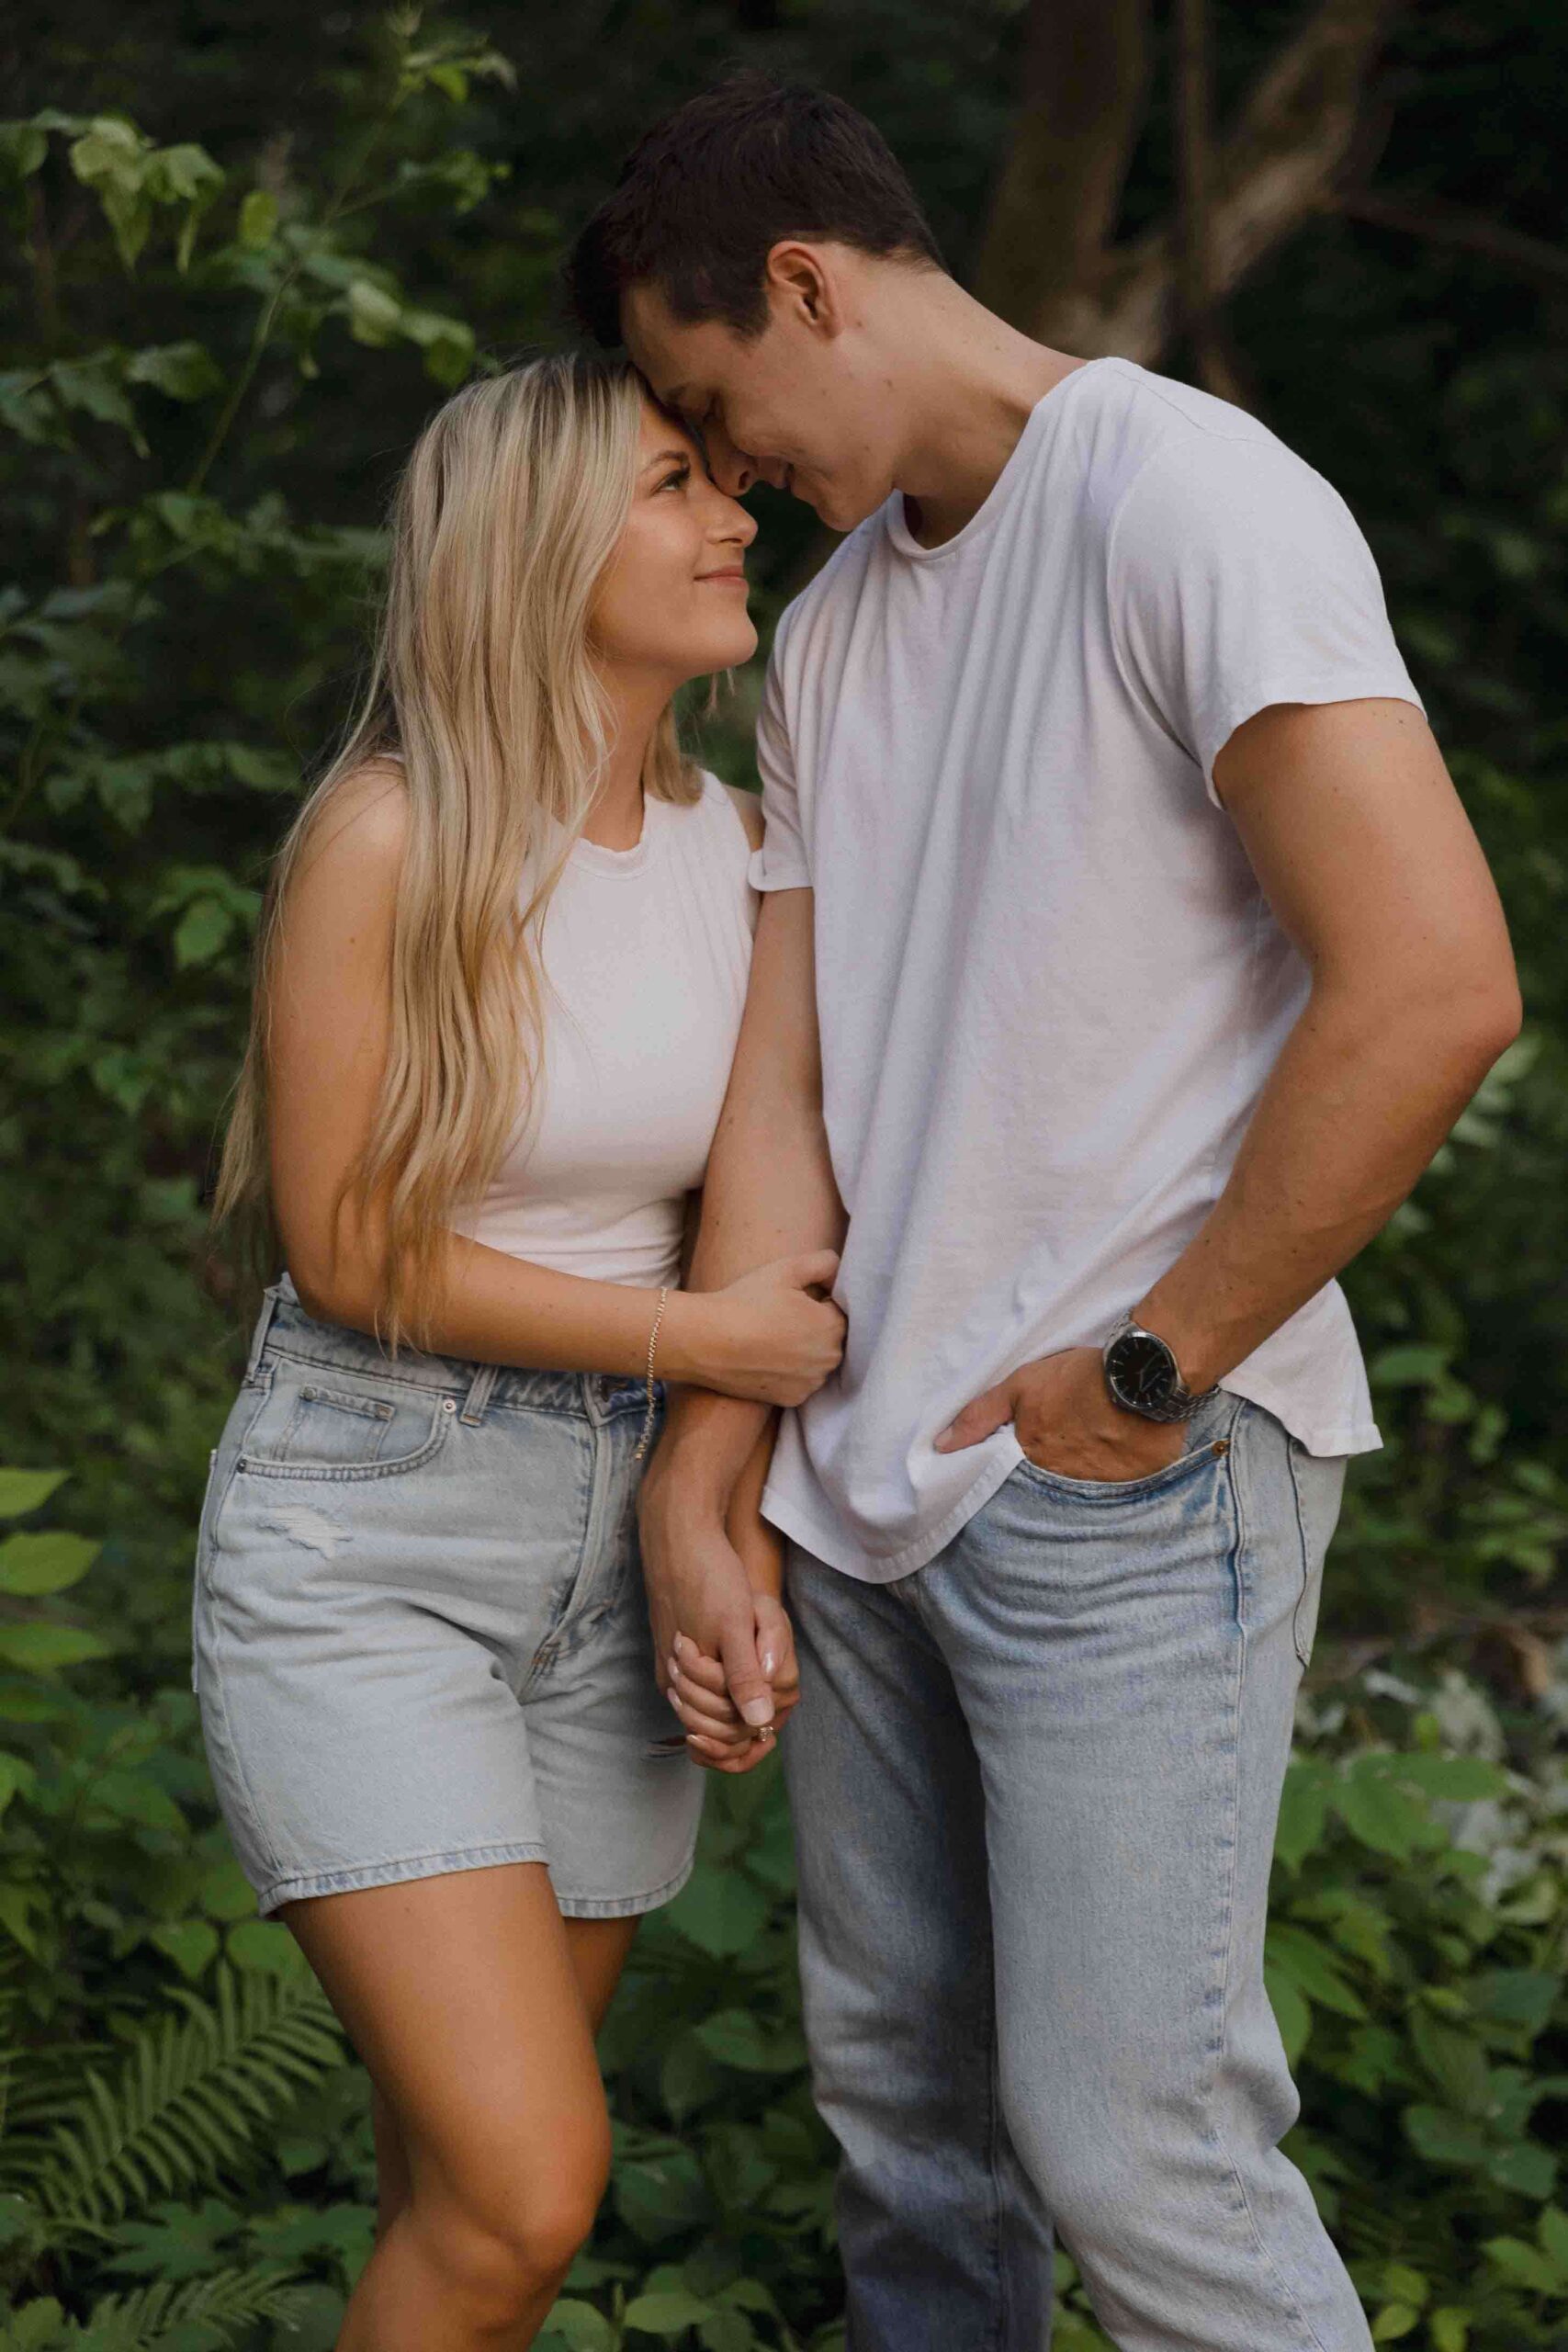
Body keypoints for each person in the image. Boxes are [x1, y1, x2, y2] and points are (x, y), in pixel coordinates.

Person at [568, 74, 1523, 2352]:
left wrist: (1145, 1367)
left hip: (1121, 1459)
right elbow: (784, 1083)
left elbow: (1431, 986)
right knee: (907, 2128)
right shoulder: (827, 642)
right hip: (869, 1478)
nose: (733, 474)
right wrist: (718, 1469)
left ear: (806, 282)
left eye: (715, 405)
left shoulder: (1184, 501)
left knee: (1132, 2147)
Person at [192, 350, 844, 2352]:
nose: (734, 514)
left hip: (613, 1548)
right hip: (369, 1527)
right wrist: (695, 1334)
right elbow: (356, 1241)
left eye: (723, 479)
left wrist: (708, 1489)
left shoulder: (745, 846)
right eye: (672, 481)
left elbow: (770, 1194)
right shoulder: (391, 839)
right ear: (533, 544)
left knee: (461, 2209)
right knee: (527, 2183)